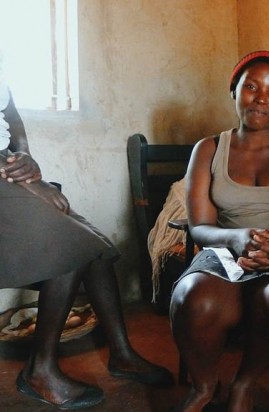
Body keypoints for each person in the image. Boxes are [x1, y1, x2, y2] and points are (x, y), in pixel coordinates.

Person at [0, 76, 171, 409]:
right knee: (73, 248)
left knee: (98, 248)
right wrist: (25, 181)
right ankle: (40, 370)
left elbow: (13, 120)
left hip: (6, 168)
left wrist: (27, 161)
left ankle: (121, 353)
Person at [168, 50, 269, 412]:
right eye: (250, 87)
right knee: (195, 297)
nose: (260, 99)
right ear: (234, 90)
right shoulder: (208, 149)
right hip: (224, 247)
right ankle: (204, 387)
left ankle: (245, 384)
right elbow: (201, 226)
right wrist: (236, 240)